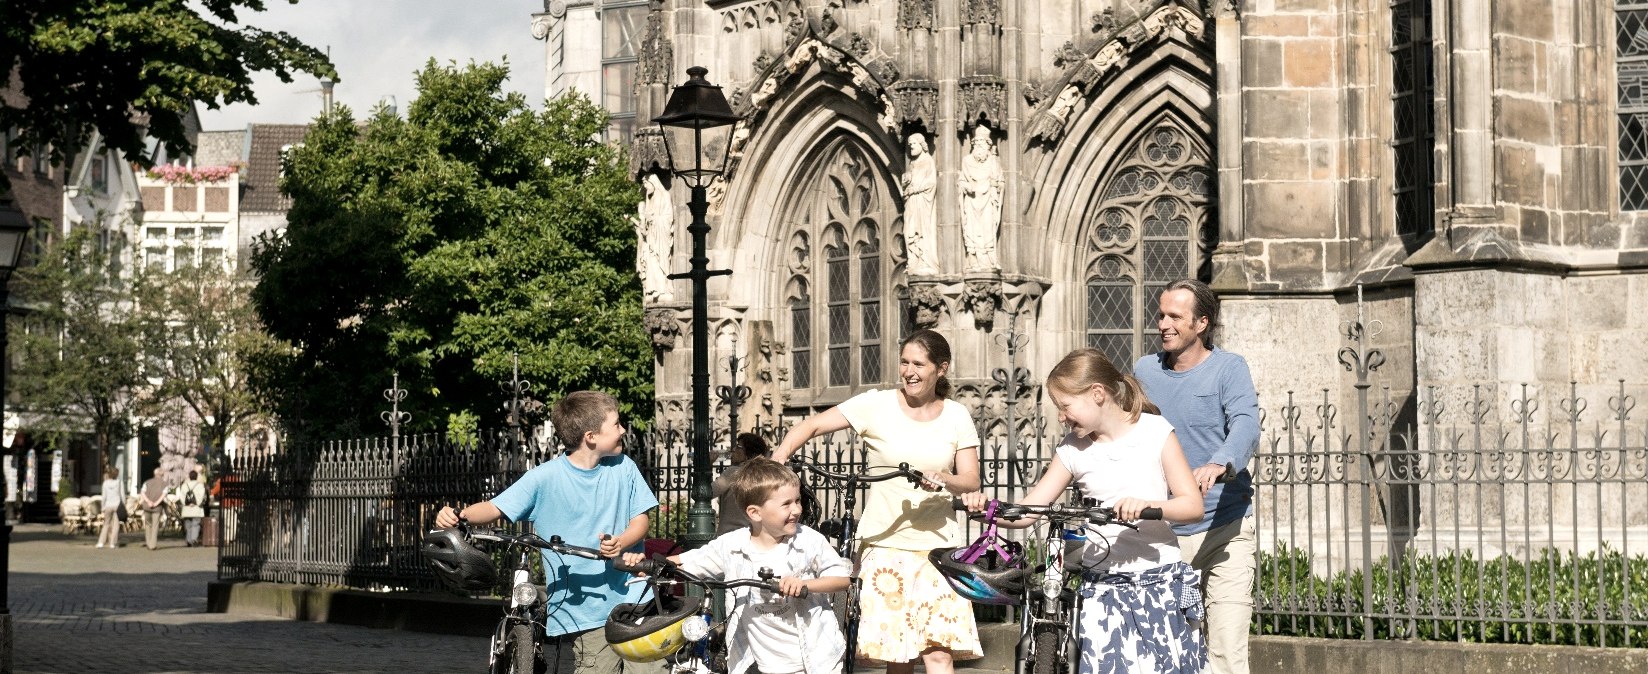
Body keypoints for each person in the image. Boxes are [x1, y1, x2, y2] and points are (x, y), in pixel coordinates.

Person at [962, 348, 1205, 674]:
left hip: (1158, 583)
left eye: (1065, 406)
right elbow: (1028, 511)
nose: (1061, 417)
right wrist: (984, 508)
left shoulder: (1155, 432)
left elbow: (1192, 506)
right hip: (1101, 588)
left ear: (1097, 394)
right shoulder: (1073, 450)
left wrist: (1150, 506)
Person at [771, 329, 984, 674]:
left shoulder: (957, 414)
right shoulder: (876, 404)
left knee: (939, 653)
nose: (909, 371)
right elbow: (811, 426)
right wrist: (779, 457)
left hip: (939, 548)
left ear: (941, 369)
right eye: (904, 362)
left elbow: (971, 479)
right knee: (897, 656)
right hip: (885, 545)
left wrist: (945, 478)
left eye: (919, 364)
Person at [433, 390, 659, 674]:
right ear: (591, 436)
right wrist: (460, 515)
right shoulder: (544, 477)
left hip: (635, 595)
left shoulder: (624, 468)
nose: (623, 429)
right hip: (584, 608)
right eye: (616, 424)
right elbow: (495, 507)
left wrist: (622, 541)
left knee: (652, 669)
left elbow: (641, 521)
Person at [1132, 279, 1260, 674]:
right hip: (1165, 534)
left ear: (1202, 323)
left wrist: (1222, 461)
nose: (1163, 324)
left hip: (1225, 528)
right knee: (1165, 651)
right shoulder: (1145, 370)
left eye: (1175, 316)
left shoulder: (1229, 367)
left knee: (1226, 652)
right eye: (1161, 315)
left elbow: (1245, 422)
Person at [623, 458, 852, 674]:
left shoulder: (807, 540)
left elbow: (842, 578)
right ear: (754, 512)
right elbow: (693, 560)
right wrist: (648, 565)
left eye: (797, 500)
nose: (797, 510)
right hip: (765, 662)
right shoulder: (733, 544)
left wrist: (805, 584)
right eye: (787, 504)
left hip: (815, 657)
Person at [713, 432, 772, 536]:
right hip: (754, 534)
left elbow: (706, 493)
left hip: (730, 534)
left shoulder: (734, 472)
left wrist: (707, 466)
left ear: (748, 453)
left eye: (738, 446)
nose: (733, 450)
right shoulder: (763, 475)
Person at [900, 133, 939, 276]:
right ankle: (914, 261)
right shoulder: (912, 163)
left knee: (922, 230)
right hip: (912, 202)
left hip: (922, 202)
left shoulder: (928, 161)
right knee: (908, 231)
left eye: (914, 144)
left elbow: (931, 183)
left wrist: (915, 189)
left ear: (922, 145)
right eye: (909, 144)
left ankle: (925, 261)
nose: (911, 147)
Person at [169, 470, 208, 547]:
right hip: (196, 508)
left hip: (186, 509)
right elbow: (202, 496)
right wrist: (196, 503)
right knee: (196, 524)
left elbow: (181, 497)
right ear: (196, 477)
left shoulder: (184, 486)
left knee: (188, 525)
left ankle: (188, 540)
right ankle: (194, 539)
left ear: (189, 477)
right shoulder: (200, 486)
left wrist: (186, 504)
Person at [138, 467, 169, 550]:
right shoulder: (165, 484)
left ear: (154, 473)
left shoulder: (147, 482)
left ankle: (148, 543)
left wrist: (148, 501)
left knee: (148, 524)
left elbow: (142, 492)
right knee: (155, 525)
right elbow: (163, 495)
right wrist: (155, 503)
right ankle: (153, 544)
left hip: (146, 506)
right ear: (162, 474)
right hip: (157, 507)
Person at [97, 467, 123, 549]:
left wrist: (102, 506)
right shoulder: (119, 482)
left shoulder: (105, 483)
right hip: (117, 505)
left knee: (106, 524)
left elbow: (104, 496)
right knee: (116, 525)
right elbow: (122, 495)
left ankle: (101, 542)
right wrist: (124, 505)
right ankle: (112, 543)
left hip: (108, 505)